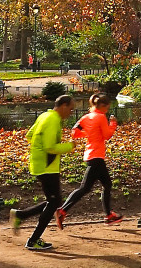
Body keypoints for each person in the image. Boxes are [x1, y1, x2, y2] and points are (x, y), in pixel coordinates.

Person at [11, 94, 75, 250]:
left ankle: (21, 215)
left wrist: (37, 151)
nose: (71, 113)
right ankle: (33, 240)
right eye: (71, 109)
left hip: (40, 164)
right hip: (47, 166)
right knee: (54, 202)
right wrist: (70, 146)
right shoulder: (53, 120)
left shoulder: (44, 115)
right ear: (63, 106)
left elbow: (29, 135)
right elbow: (50, 147)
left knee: (54, 201)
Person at [57, 92, 123, 227]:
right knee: (84, 188)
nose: (108, 109)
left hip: (90, 155)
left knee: (105, 185)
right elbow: (107, 135)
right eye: (107, 106)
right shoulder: (101, 117)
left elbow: (74, 132)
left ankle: (109, 215)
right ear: (103, 106)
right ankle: (62, 210)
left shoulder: (86, 117)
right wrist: (113, 124)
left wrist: (88, 133)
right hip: (97, 155)